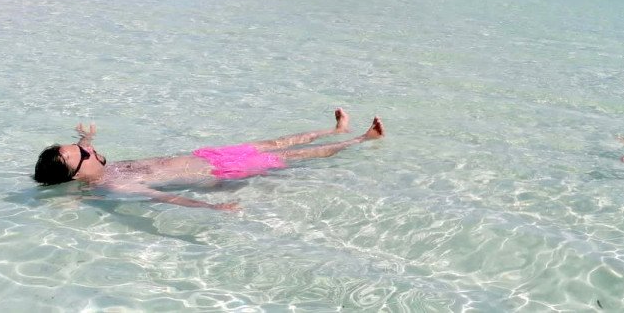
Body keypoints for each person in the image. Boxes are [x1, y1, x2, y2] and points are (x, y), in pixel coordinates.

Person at [33, 108, 384, 211]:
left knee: (274, 141)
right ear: (77, 175)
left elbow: (82, 152)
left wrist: (86, 138)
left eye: (79, 146)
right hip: (222, 170)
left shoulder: (95, 164)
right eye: (79, 152)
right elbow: (165, 197)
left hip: (206, 156)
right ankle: (362, 139)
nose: (85, 149)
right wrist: (212, 209)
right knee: (294, 154)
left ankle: (333, 130)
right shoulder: (115, 184)